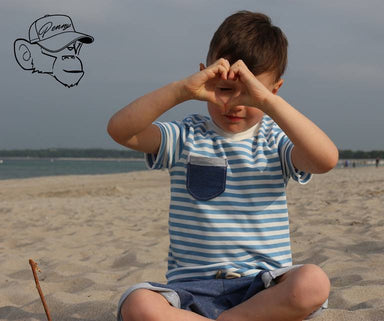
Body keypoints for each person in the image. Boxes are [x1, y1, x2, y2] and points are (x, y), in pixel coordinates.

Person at [107, 10, 338, 321]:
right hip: (191, 292)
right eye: (226, 90)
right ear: (205, 75)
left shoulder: (275, 141)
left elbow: (326, 159)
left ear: (274, 90)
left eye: (252, 94)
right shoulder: (186, 135)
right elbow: (121, 130)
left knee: (313, 282)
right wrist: (181, 91)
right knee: (139, 305)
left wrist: (268, 104)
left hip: (263, 290)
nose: (236, 104)